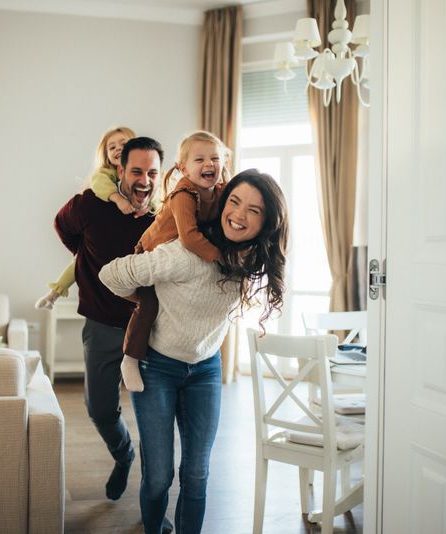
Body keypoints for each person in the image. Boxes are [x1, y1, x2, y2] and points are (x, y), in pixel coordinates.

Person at [99, 169, 289, 534]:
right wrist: (149, 301)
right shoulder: (184, 254)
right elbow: (111, 275)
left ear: (267, 222)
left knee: (197, 474)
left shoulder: (249, 261)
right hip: (157, 367)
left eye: (254, 210)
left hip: (206, 369)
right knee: (158, 477)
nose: (239, 214)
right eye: (234, 201)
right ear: (221, 204)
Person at [53, 136, 162, 502]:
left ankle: (153, 509)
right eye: (136, 171)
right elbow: (61, 225)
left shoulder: (162, 218)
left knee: (154, 423)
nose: (144, 180)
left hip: (150, 332)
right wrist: (85, 257)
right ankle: (122, 453)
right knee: (99, 410)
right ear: (119, 170)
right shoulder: (89, 205)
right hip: (101, 324)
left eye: (152, 172)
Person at [120, 131, 231, 393]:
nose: (209, 164)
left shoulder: (219, 191)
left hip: (175, 259)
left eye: (215, 158)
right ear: (183, 168)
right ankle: (130, 358)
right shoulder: (183, 193)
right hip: (150, 251)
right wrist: (219, 257)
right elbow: (190, 238)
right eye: (199, 159)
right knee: (148, 305)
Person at [37, 126, 142, 310]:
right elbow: (100, 185)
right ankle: (54, 294)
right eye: (112, 147)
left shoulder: (144, 177)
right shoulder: (104, 175)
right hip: (103, 237)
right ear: (106, 155)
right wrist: (117, 199)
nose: (117, 149)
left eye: (123, 144)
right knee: (80, 259)